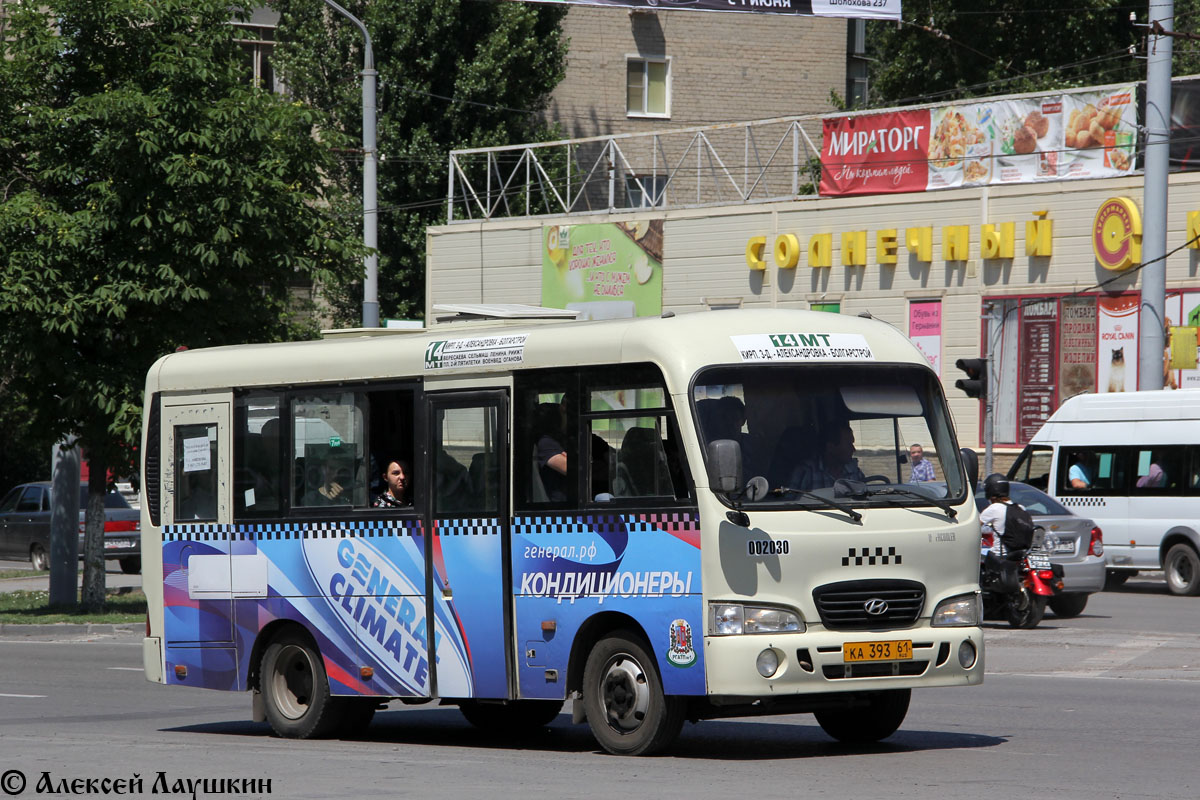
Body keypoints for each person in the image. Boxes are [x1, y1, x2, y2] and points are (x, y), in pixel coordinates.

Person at [789, 421, 866, 491]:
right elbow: (790, 504)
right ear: (830, 447)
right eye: (848, 444)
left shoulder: (855, 472)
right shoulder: (806, 471)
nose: (853, 449)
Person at [534, 401, 569, 502]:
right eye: (564, 414)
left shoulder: (559, 440)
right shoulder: (546, 442)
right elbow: (573, 469)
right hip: (561, 506)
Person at [978, 473, 1012, 558]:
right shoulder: (1019, 507)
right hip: (1016, 555)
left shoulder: (994, 508)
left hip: (999, 555)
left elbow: (973, 528)